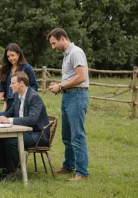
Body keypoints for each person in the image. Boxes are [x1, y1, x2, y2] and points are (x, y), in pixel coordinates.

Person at [0, 72, 49, 181]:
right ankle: (5, 170)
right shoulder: (17, 96)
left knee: (11, 140)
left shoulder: (34, 98)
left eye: (13, 83)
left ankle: (13, 171)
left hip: (38, 134)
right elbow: (9, 112)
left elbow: (32, 119)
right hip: (24, 132)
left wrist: (8, 120)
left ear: (22, 83)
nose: (10, 86)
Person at [48, 28, 90, 181]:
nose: (53, 47)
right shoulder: (67, 55)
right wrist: (60, 85)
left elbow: (81, 77)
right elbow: (72, 77)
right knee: (66, 135)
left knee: (77, 135)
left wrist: (60, 86)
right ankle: (69, 166)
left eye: (54, 43)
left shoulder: (76, 52)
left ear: (62, 38)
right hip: (68, 96)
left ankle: (82, 173)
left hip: (77, 96)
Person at [0, 43, 38, 114]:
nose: (10, 58)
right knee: (1, 116)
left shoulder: (27, 68)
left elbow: (34, 86)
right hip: (9, 102)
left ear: (18, 54)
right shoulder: (6, 69)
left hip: (22, 101)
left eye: (12, 55)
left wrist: (26, 98)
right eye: (8, 56)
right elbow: (2, 86)